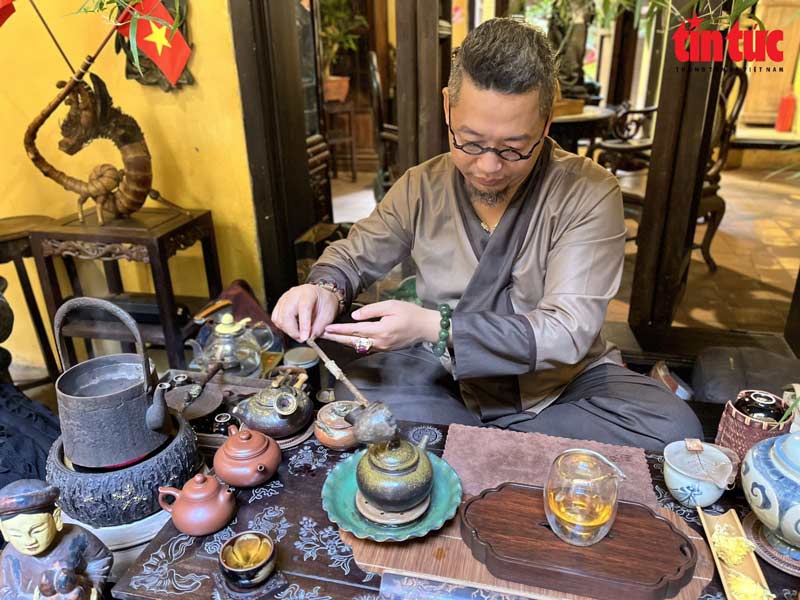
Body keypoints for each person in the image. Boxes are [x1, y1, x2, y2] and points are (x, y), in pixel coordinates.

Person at [272, 18, 702, 450]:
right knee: (355, 390)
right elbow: (353, 256)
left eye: (515, 148)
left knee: (672, 429)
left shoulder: (588, 192)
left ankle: (461, 445)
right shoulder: (421, 186)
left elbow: (568, 332)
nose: (489, 167)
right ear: (447, 108)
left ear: (547, 122)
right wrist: (324, 289)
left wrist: (437, 327)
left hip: (560, 390)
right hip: (449, 377)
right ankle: (511, 451)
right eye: (471, 142)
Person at [0, 480, 112, 600]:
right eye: (16, 535)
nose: (29, 540)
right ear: (4, 531)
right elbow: (5, 591)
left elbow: (102, 558)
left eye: (37, 530)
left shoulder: (77, 535)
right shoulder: (10, 556)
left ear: (56, 518)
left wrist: (94, 586)